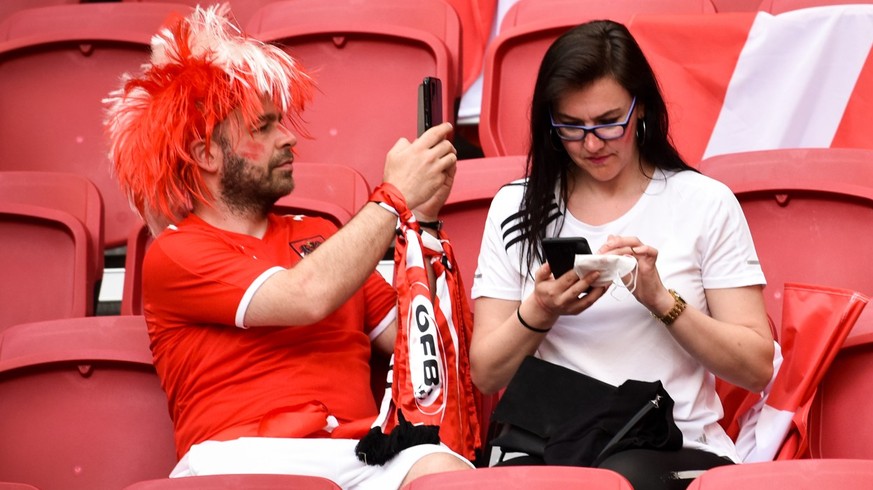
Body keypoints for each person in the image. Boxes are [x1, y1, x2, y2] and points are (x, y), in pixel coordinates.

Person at [103, 4, 472, 489]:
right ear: (205, 154)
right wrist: (393, 199)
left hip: (359, 455)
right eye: (263, 128)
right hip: (240, 461)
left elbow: (425, 342)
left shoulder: (321, 234)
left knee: (442, 472)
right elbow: (306, 295)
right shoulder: (175, 251)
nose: (288, 140)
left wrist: (422, 220)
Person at [469, 20, 775, 490]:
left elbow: (756, 367)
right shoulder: (516, 205)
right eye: (571, 127)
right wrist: (541, 309)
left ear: (642, 110)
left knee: (610, 483)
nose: (592, 144)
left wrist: (660, 300)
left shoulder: (704, 202)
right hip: (551, 441)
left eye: (609, 122)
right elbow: (487, 373)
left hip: (675, 444)